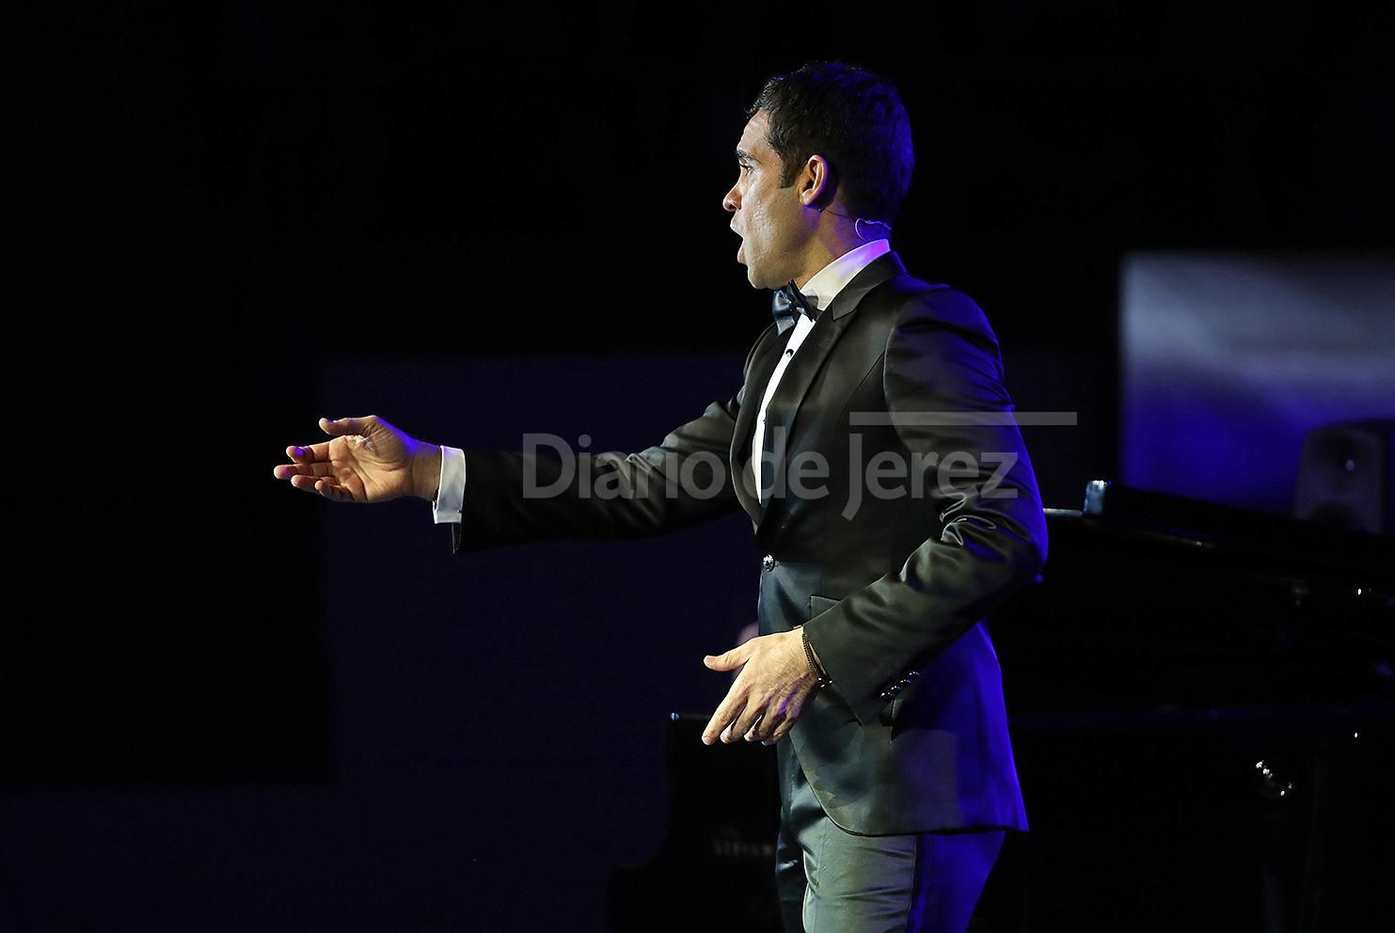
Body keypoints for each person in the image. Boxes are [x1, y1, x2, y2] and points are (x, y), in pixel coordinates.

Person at [274, 62, 1047, 933]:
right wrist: (427, 470)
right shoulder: (778, 350)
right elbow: (640, 483)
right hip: (825, 780)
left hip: (902, 781)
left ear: (812, 178)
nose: (729, 196)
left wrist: (815, 651)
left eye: (748, 167)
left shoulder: (920, 327)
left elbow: (1003, 528)